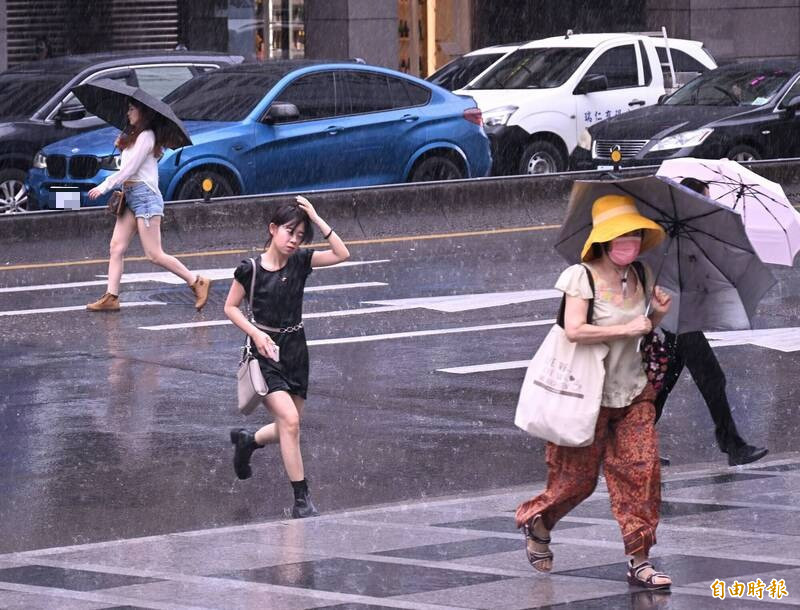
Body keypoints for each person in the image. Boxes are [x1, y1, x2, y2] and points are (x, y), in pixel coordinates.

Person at [516, 194, 673, 589]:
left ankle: (640, 561)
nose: (630, 243)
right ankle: (539, 521)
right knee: (576, 481)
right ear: (603, 239)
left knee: (642, 474)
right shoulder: (580, 277)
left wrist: (657, 315)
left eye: (635, 235)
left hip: (633, 393)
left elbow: (643, 329)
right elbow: (575, 330)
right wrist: (628, 328)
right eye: (621, 236)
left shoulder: (642, 274)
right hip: (585, 396)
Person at [225, 196, 350, 518]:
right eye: (289, 232)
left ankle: (248, 442)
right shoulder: (250, 270)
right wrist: (256, 333)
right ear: (272, 229)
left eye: (299, 235)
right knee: (291, 422)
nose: (294, 240)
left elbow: (342, 253)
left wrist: (318, 219)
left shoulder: (301, 262)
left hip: (296, 351)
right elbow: (229, 307)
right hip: (264, 353)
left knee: (288, 426)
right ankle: (302, 500)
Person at [655, 177, 768, 467]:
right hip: (678, 320)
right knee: (712, 378)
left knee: (662, 384)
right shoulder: (677, 235)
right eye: (706, 198)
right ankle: (733, 445)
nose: (710, 202)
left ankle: (633, 446)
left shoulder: (686, 232)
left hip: (676, 320)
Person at [86, 99, 210, 312]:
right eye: (128, 109)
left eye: (132, 109)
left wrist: (104, 186)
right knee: (116, 247)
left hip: (146, 197)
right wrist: (121, 146)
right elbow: (126, 166)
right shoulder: (132, 136)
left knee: (154, 254)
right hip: (130, 195)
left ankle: (196, 281)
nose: (128, 113)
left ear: (143, 113)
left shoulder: (147, 136)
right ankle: (111, 296)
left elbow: (131, 169)